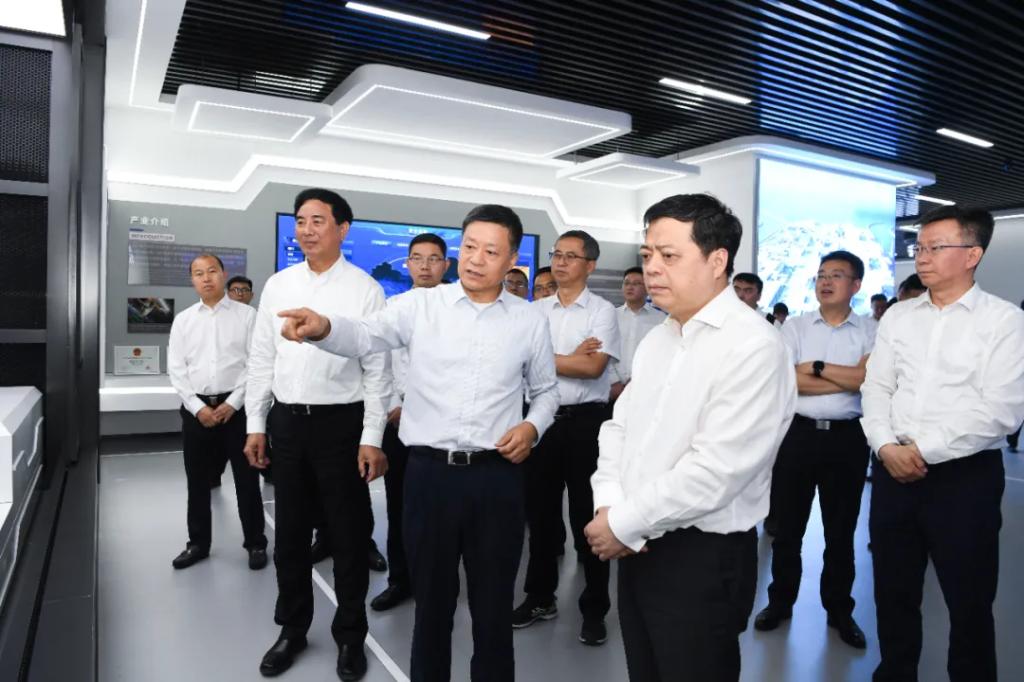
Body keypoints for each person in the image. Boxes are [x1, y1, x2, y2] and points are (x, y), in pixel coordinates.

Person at [274, 204, 559, 682]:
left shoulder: (529, 320)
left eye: (491, 251)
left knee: (492, 606)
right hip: (430, 477)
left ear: (512, 259)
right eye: (470, 247)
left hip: (497, 479)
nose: (476, 259)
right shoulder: (419, 307)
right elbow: (364, 335)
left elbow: (547, 391)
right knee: (431, 605)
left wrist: (532, 427)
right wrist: (323, 327)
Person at [586, 194, 795, 681]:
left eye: (669, 255)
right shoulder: (660, 338)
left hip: (701, 555)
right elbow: (619, 428)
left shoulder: (754, 345)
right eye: (647, 255)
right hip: (636, 541)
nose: (652, 268)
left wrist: (623, 522)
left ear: (717, 261)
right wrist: (609, 505)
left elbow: (716, 472)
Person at [863, 205, 1024, 682]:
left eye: (936, 247)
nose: (922, 257)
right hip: (892, 471)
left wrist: (920, 450)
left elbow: (1001, 409)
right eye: (919, 247)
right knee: (892, 593)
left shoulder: (1004, 322)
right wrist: (885, 446)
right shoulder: (899, 317)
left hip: (964, 479)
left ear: (972, 254)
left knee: (969, 600)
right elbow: (877, 387)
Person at [244, 189, 391, 681]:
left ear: (342, 229)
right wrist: (257, 424)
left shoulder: (365, 289)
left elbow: (377, 370)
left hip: (340, 426)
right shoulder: (278, 285)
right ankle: (292, 629)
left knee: (347, 538)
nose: (306, 230)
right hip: (287, 423)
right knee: (289, 536)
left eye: (318, 221)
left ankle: (350, 636)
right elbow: (262, 358)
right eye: (301, 221)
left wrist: (372, 437)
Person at [754, 250, 873, 650]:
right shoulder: (795, 327)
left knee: (841, 532)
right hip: (798, 436)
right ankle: (780, 602)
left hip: (847, 439)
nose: (826, 281)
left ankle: (839, 609)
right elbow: (784, 381)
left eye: (836, 275)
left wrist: (815, 367)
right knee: (788, 529)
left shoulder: (871, 330)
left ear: (855, 285)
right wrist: (845, 377)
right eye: (821, 274)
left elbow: (867, 379)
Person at [514, 230, 621, 647]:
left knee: (587, 518)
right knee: (540, 517)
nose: (559, 262)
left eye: (570, 256)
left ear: (590, 265)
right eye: (556, 254)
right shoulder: (533, 310)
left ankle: (594, 608)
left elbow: (593, 368)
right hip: (539, 421)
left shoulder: (602, 312)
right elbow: (517, 362)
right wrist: (569, 357)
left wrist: (544, 359)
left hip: (584, 424)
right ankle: (540, 598)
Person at [167, 254, 268, 571]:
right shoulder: (183, 320)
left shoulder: (247, 316)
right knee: (197, 482)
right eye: (199, 273)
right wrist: (198, 408)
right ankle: (198, 543)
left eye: (212, 271)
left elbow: (257, 364)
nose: (206, 278)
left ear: (223, 275)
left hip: (237, 411)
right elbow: (176, 370)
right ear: (192, 280)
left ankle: (255, 543)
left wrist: (233, 403)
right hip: (196, 412)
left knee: (246, 480)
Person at [370, 232, 450, 613]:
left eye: (433, 259)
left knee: (442, 508)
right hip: (399, 422)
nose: (425, 266)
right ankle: (400, 579)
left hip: (444, 424)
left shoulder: (460, 308)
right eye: (417, 258)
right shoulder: (393, 307)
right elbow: (379, 365)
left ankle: (438, 581)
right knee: (400, 504)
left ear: (445, 265)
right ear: (407, 264)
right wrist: (392, 406)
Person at [609, 266, 666, 402]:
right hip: (611, 389)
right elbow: (602, 352)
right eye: (627, 283)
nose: (630, 287)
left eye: (636, 284)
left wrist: (638, 380)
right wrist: (613, 381)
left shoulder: (660, 320)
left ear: (647, 288)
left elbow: (660, 355)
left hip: (644, 390)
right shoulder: (610, 317)